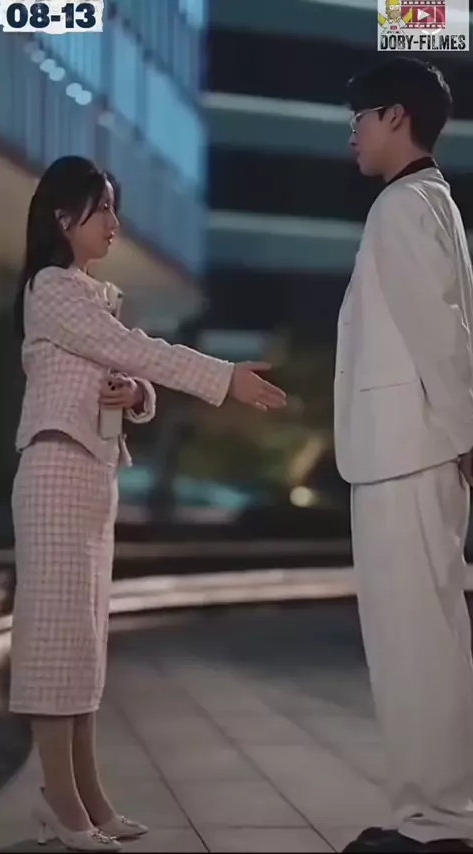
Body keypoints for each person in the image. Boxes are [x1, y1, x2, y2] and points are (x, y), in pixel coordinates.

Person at [10, 155, 287, 852]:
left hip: (92, 472)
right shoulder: (52, 287)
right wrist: (222, 378)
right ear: (62, 217)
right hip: (55, 469)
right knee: (54, 638)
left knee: (83, 640)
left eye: (114, 207)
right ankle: (61, 801)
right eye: (101, 207)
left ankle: (87, 795)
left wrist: (135, 394)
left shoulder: (92, 296)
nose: (114, 222)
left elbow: (130, 371)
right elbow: (130, 348)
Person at [335, 58, 473, 853]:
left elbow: (442, 338)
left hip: (406, 454)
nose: (352, 135)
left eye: (358, 119)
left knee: (415, 641)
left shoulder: (401, 207)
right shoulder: (431, 201)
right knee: (424, 637)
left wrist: (466, 437)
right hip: (415, 450)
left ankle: (438, 819)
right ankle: (429, 809)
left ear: (394, 116)